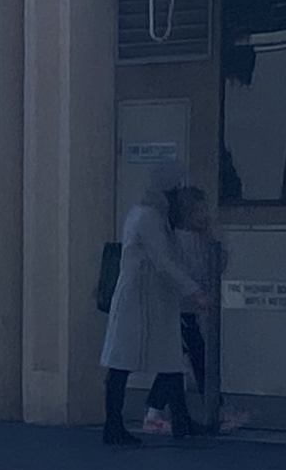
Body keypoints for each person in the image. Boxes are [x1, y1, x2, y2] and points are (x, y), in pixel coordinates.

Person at [99, 171, 210, 445]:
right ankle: (113, 424)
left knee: (167, 359)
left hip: (151, 301)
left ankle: (179, 420)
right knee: (124, 363)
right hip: (139, 301)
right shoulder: (149, 218)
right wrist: (194, 291)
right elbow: (164, 262)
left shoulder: (153, 217)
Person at [166, 186, 244, 434]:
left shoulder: (202, 239)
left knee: (189, 358)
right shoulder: (176, 239)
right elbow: (186, 272)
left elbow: (216, 265)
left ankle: (212, 406)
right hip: (179, 309)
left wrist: (210, 236)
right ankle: (214, 407)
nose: (204, 215)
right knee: (192, 357)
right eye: (198, 210)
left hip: (189, 309)